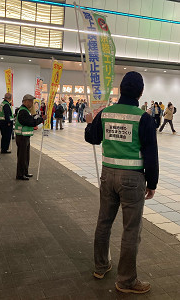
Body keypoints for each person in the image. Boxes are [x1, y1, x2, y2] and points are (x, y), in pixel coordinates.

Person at [85, 71, 158, 294]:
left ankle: (100, 266)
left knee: (104, 221)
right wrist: (152, 183)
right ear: (141, 92)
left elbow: (92, 138)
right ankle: (126, 281)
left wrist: (90, 123)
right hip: (133, 178)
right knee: (131, 229)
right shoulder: (143, 117)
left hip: (108, 175)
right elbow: (150, 153)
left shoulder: (106, 113)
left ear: (119, 90)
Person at [15, 94, 46, 180]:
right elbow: (31, 122)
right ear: (25, 101)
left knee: (26, 156)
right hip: (22, 137)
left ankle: (25, 172)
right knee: (22, 157)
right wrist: (41, 119)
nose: (32, 103)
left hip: (25, 136)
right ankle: (20, 174)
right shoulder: (23, 111)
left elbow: (30, 120)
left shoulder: (25, 110)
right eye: (31, 101)